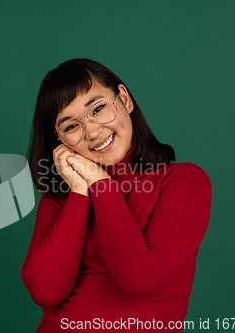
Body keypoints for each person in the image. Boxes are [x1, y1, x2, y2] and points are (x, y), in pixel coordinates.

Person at [21, 58, 212, 332]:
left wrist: (101, 183)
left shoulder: (183, 181)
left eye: (98, 108)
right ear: (60, 141)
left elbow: (139, 277)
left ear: (124, 99)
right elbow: (44, 291)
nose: (94, 131)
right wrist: (79, 190)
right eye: (71, 126)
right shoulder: (62, 196)